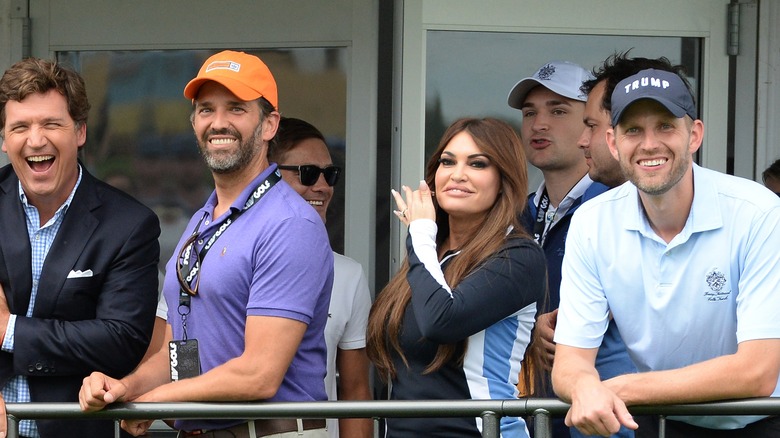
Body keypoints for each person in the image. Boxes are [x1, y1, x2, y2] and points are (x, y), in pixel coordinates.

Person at [79, 50, 334, 438]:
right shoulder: (203, 219)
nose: (218, 123)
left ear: (269, 125)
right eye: (205, 109)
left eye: (236, 109)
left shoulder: (290, 223)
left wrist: (158, 400)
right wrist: (126, 388)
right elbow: (181, 352)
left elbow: (259, 375)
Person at [552, 66, 780, 437]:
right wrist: (583, 387)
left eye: (665, 126)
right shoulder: (592, 222)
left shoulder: (759, 212)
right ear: (613, 142)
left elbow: (757, 372)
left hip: (760, 422)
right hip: (662, 423)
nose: (649, 144)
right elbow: (569, 363)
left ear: (695, 136)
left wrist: (619, 389)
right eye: (633, 130)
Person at [0, 57, 161, 437]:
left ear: (80, 132)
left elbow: (121, 341)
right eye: (20, 126)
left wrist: (10, 330)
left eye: (51, 124)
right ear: (5, 140)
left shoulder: (129, 224)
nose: (35, 140)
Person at [366, 117, 547, 437]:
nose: (457, 174)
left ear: (504, 179)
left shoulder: (519, 256)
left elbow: (441, 321)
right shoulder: (428, 256)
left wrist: (420, 230)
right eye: (447, 162)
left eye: (477, 164)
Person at [507, 60, 600, 437]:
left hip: (600, 413)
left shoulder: (621, 208)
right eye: (530, 113)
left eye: (558, 111)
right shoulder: (515, 214)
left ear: (592, 123)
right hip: (526, 414)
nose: (539, 124)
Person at [269, 116, 373, 438]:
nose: (323, 187)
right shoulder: (210, 259)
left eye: (330, 174)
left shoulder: (348, 274)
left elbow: (355, 392)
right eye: (308, 174)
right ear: (264, 178)